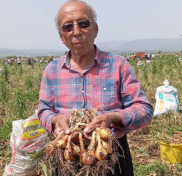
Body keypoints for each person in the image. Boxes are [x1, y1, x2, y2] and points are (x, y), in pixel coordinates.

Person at [37, 1, 153, 175]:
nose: (76, 31)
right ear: (62, 37)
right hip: (67, 156)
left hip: (109, 155)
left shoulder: (118, 65)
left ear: (95, 29)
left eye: (83, 23)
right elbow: (43, 110)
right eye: (67, 27)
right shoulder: (52, 70)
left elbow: (145, 110)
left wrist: (112, 118)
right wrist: (55, 120)